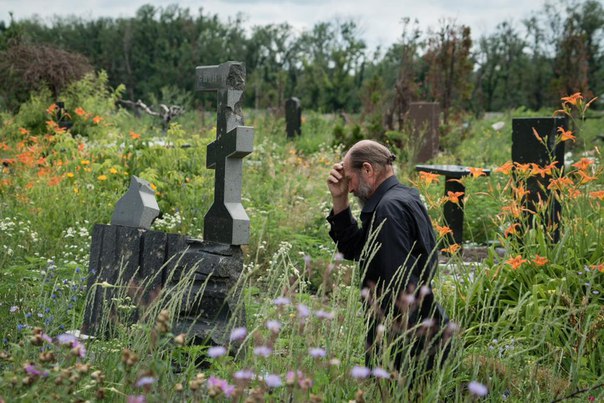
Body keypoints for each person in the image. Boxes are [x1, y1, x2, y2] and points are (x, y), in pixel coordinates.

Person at [326, 139, 449, 373]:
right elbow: (355, 249)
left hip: (404, 341)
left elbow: (397, 282)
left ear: (368, 170)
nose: (350, 188)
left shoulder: (389, 209)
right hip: (415, 330)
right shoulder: (399, 198)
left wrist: (390, 348)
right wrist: (339, 199)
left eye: (349, 180)